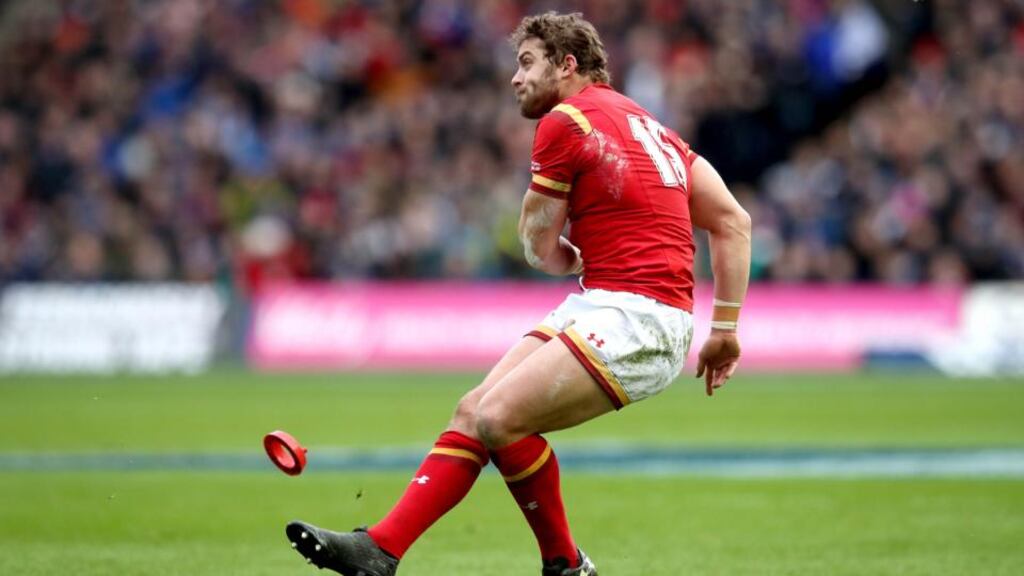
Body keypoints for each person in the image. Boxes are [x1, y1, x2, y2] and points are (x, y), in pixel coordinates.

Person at [285, 11, 751, 576]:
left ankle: (565, 562)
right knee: (475, 410)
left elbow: (536, 243)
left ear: (567, 64)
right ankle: (379, 550)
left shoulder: (566, 120)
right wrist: (723, 329)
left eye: (527, 63)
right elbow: (733, 221)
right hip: (618, 304)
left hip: (637, 314)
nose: (515, 78)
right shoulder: (651, 126)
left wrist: (558, 256)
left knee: (500, 417)